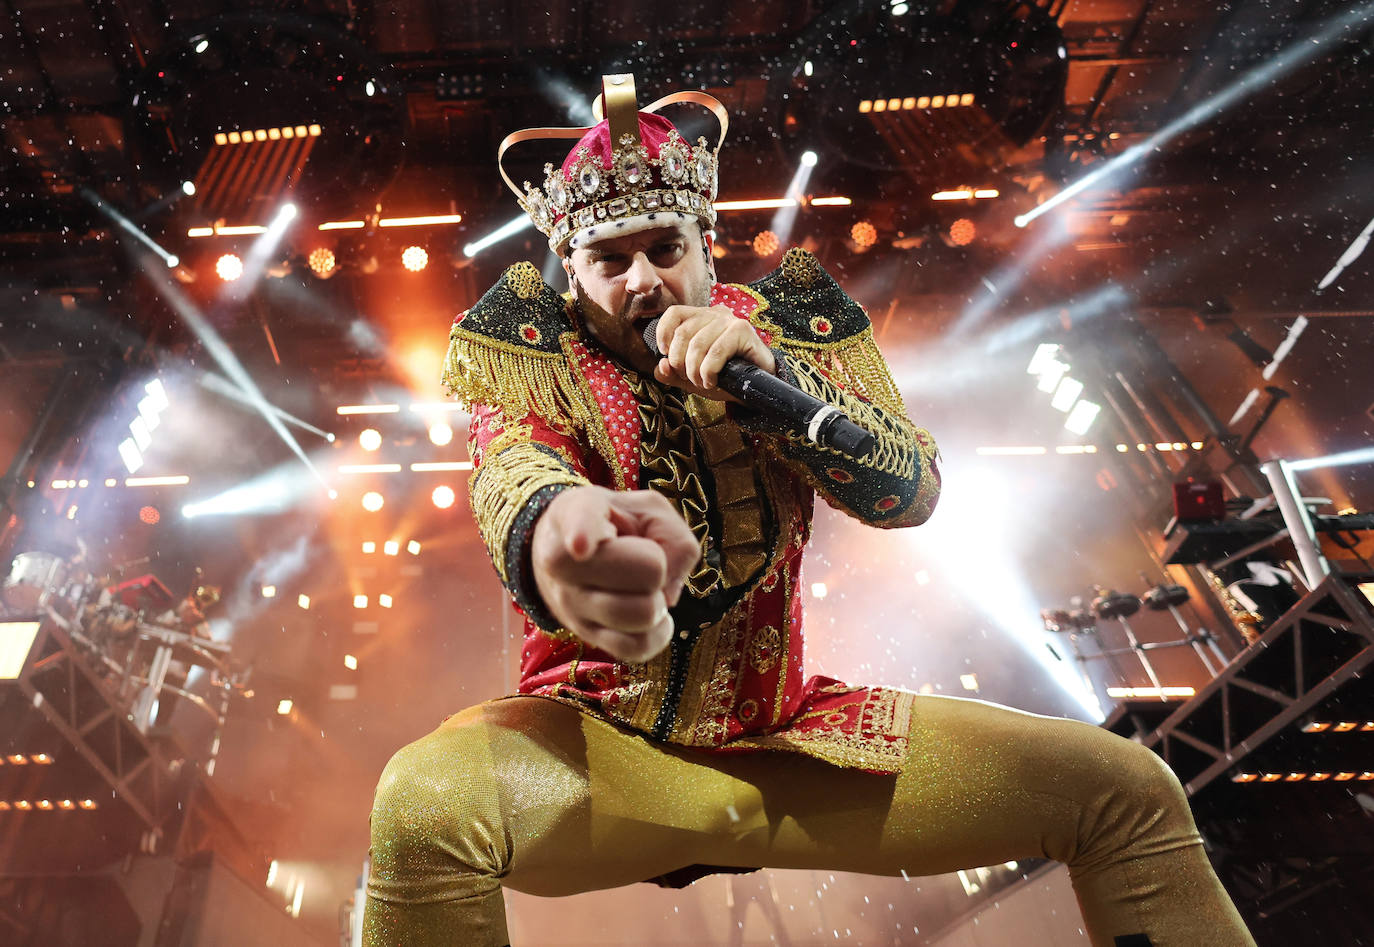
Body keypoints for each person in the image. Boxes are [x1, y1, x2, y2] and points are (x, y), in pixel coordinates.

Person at [363, 75, 1255, 947]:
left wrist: (779, 385)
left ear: (706, 242)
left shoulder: (786, 328)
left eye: (666, 249)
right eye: (609, 260)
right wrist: (562, 536)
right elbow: (511, 472)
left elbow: (912, 492)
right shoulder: (530, 351)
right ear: (571, 269)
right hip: (601, 751)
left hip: (788, 743)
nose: (644, 280)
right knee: (422, 805)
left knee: (1127, 790)